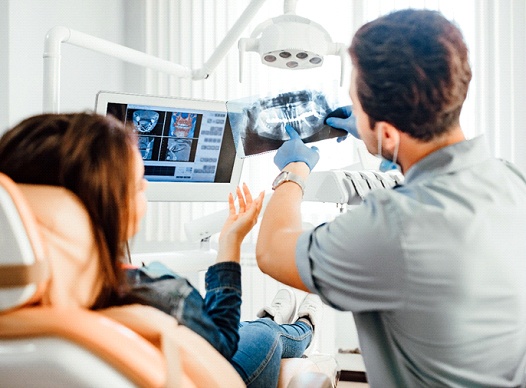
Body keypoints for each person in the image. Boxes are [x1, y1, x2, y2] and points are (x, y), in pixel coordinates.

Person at [256, 8, 526, 388]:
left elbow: (271, 251)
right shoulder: (512, 181)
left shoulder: (393, 227)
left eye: (356, 101)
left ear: (386, 132)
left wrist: (294, 171)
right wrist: (388, 149)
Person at [0, 112, 323, 388]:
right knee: (264, 333)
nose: (147, 188)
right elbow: (221, 343)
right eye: (140, 182)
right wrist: (231, 242)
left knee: (252, 328)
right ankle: (303, 327)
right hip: (211, 364)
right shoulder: (159, 295)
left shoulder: (28, 307)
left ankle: (278, 318)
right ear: (115, 206)